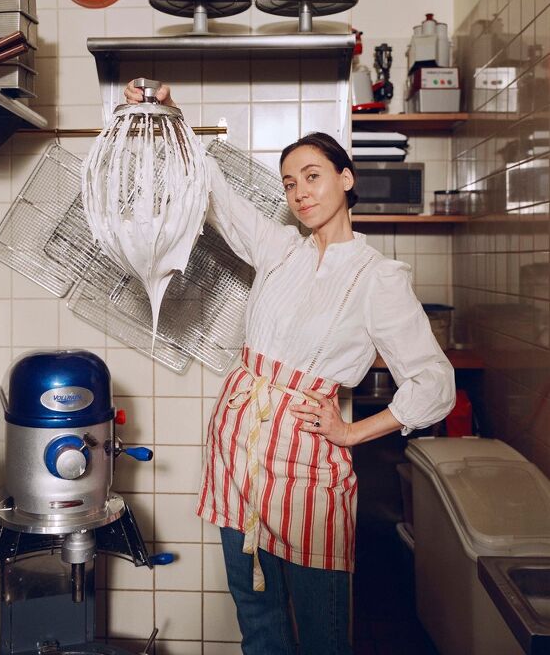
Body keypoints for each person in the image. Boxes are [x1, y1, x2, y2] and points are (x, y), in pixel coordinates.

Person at [124, 79, 456, 655]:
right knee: (258, 621)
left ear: (346, 179)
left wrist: (352, 432)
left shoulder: (378, 278)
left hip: (307, 471)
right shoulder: (278, 248)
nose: (300, 192)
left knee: (323, 634)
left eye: (312, 176)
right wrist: (169, 115)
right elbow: (213, 189)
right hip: (237, 456)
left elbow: (435, 384)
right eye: (289, 183)